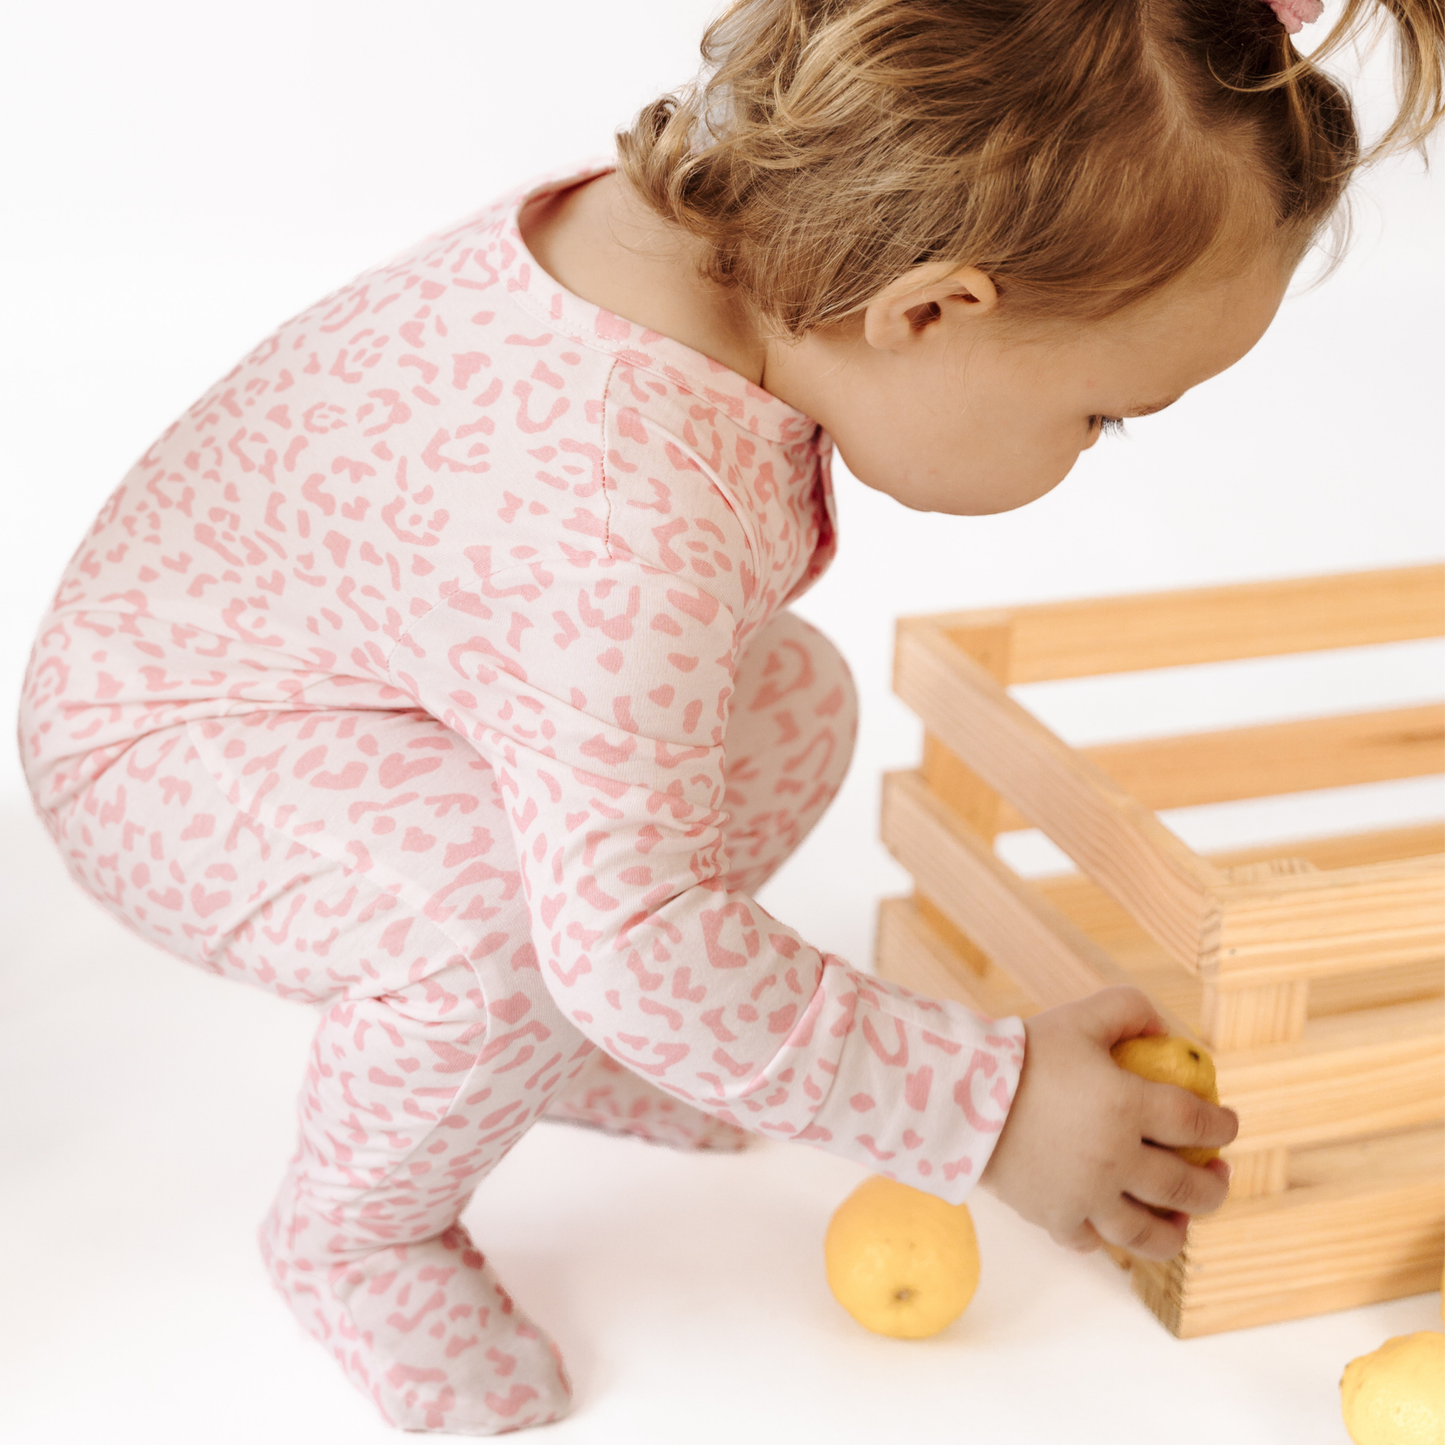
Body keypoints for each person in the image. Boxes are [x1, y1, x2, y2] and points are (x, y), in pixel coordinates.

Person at [18, 0, 1442, 1433]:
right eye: (1102, 415)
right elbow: (634, 939)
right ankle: (355, 1233)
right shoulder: (620, 531)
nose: (1096, 453)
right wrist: (985, 1106)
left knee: (792, 703)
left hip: (356, 671)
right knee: (497, 927)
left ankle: (544, 1052)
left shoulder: (718, 236)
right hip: (164, 743)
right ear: (931, 307)